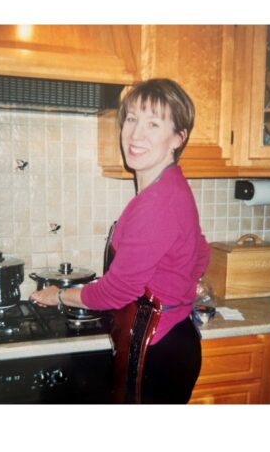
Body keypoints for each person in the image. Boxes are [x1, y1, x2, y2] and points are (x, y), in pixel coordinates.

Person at [31, 78, 210, 404]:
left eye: (153, 124)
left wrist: (60, 295)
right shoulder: (171, 186)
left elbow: (118, 292)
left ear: (177, 138)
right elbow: (201, 252)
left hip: (157, 350)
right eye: (131, 119)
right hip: (174, 340)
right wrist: (181, 286)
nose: (136, 134)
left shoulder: (158, 201)